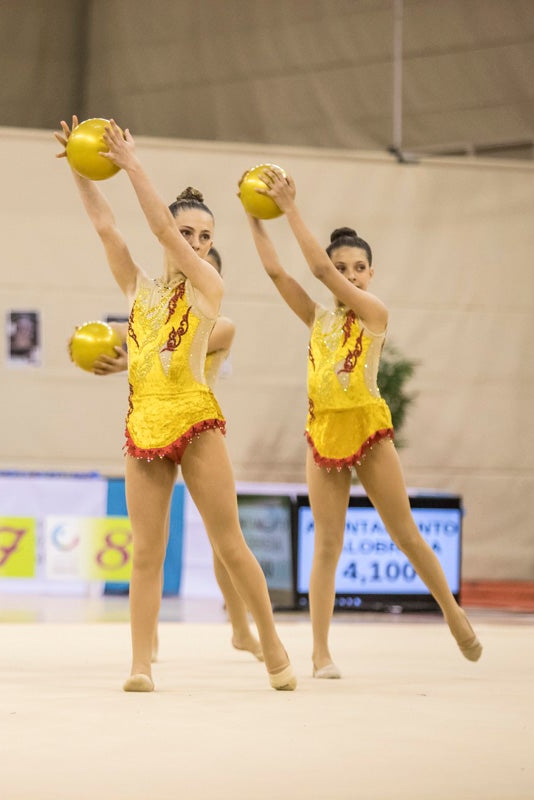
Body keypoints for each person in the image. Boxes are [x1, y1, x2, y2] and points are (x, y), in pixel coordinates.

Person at [56, 116, 294, 692]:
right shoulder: (139, 292)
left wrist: (133, 164)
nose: (192, 243)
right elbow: (108, 230)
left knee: (229, 543)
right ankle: (140, 664)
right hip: (144, 424)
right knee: (145, 551)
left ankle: (273, 646)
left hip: (196, 418)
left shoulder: (210, 291)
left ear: (211, 246)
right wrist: (81, 172)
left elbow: (158, 229)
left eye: (203, 237)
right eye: (188, 233)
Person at [245, 167, 482, 678]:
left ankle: (451, 610)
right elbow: (279, 275)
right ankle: (320, 651)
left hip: (369, 432)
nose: (349, 276)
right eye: (342, 268)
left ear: (370, 275)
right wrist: (255, 218)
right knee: (327, 543)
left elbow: (316, 271)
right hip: (323, 431)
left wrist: (291, 210)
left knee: (405, 533)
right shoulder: (318, 318)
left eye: (358, 268)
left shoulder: (374, 313)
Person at [89, 247, 264, 661]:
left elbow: (173, 346)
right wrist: (93, 337)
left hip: (200, 436)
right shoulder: (160, 309)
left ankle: (241, 628)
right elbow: (140, 336)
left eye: (205, 270)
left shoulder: (223, 325)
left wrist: (124, 353)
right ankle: (148, 641)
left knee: (225, 542)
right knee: (152, 541)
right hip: (155, 431)